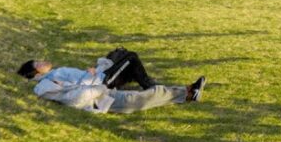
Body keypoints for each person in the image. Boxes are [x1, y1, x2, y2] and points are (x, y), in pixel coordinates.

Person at [17, 48, 205, 114]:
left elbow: (78, 82)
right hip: (101, 91)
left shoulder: (55, 72)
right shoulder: (45, 84)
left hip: (99, 84)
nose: (43, 62)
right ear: (35, 73)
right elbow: (75, 96)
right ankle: (187, 92)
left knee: (121, 55)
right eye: (39, 64)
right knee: (132, 64)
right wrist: (97, 83)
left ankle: (186, 92)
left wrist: (91, 71)